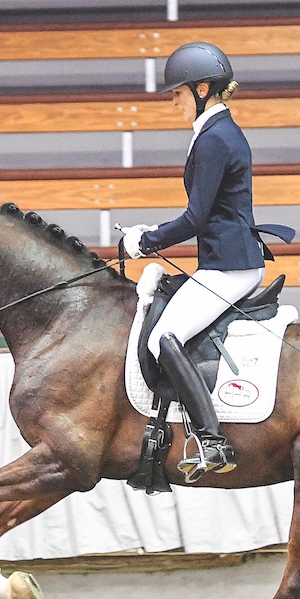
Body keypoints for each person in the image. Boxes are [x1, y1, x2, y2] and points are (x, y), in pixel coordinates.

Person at [119, 41, 267, 479]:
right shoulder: (215, 132)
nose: (174, 102)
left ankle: (211, 440)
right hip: (225, 259)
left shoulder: (215, 138)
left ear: (203, 88)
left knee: (163, 338)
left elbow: (197, 217)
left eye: (178, 94)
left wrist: (148, 240)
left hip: (229, 265)